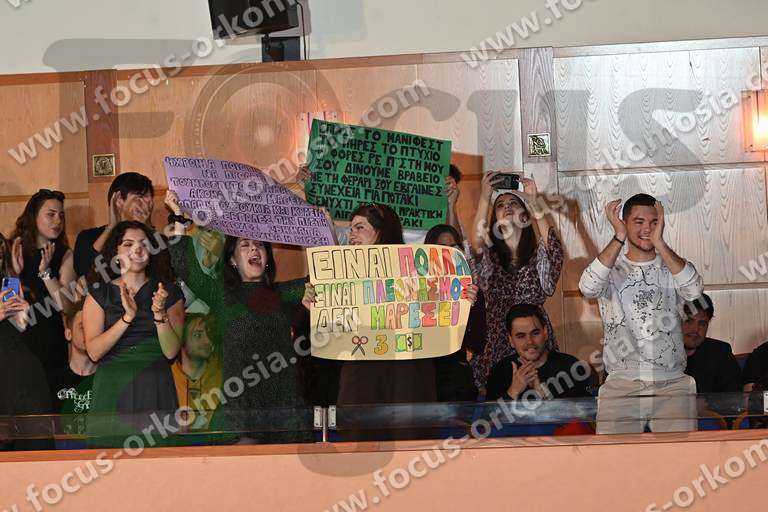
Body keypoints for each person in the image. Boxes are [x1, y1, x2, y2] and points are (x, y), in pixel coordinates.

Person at [579, 194, 704, 434]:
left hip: (672, 383)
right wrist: (618, 236)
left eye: (654, 222)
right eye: (638, 222)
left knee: (679, 456)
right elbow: (587, 287)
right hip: (621, 382)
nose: (647, 228)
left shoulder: (671, 267)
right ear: (625, 223)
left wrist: (660, 243)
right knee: (614, 456)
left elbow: (695, 291)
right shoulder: (611, 269)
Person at [83, 221, 184, 447]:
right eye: (128, 244)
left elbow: (171, 352)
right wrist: (127, 318)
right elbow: (94, 352)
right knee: (110, 462)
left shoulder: (168, 292)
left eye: (143, 244)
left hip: (155, 385)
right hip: (112, 385)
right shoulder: (99, 294)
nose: (137, 249)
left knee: (157, 463)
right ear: (116, 253)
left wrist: (159, 314)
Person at [468, 172, 564, 387]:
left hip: (532, 334)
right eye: (500, 205)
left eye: (514, 203)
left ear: (526, 216)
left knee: (542, 392)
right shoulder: (490, 257)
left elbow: (555, 250)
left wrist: (534, 201)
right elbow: (475, 247)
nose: (507, 206)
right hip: (496, 335)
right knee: (498, 392)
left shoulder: (537, 255)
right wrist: (485, 197)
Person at [10, 189, 77, 381]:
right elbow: (7, 303)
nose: (58, 221)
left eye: (61, 216)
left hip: (51, 339)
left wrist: (46, 273)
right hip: (18, 337)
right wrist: (14, 273)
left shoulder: (65, 254)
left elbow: (67, 307)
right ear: (34, 217)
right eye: (51, 214)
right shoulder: (14, 249)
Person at [0, 238, 52, 450]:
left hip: (24, 382)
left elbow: (43, 346)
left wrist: (24, 321)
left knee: (34, 453)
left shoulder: (9, 290)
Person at [424, 223, 483, 402]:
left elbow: (477, 344)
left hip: (456, 381)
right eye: (441, 248)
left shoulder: (472, 291)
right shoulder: (415, 290)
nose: (448, 253)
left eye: (453, 248)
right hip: (424, 375)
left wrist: (469, 308)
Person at [486, 304, 591, 401]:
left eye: (535, 333)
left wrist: (541, 392)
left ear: (545, 333)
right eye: (521, 336)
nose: (530, 342)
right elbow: (490, 415)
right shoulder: (499, 372)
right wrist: (514, 391)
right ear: (511, 341)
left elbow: (584, 412)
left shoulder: (571, 368)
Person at [73, 172, 155, 278]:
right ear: (119, 200)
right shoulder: (88, 237)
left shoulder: (155, 238)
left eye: (149, 198)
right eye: (140, 197)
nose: (147, 204)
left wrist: (146, 228)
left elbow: (163, 270)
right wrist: (111, 227)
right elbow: (85, 271)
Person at [50, 299, 97, 447]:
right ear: (68, 334)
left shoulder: (109, 380)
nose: (89, 332)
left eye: (94, 327)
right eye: (83, 327)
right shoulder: (52, 381)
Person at [170, 314, 222, 431]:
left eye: (210, 335)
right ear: (182, 341)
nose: (207, 341)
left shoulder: (223, 374)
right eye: (198, 335)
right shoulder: (167, 376)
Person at [681, 294, 741, 393]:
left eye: (702, 323)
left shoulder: (721, 352)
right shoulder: (657, 355)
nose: (695, 329)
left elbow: (734, 396)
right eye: (688, 321)